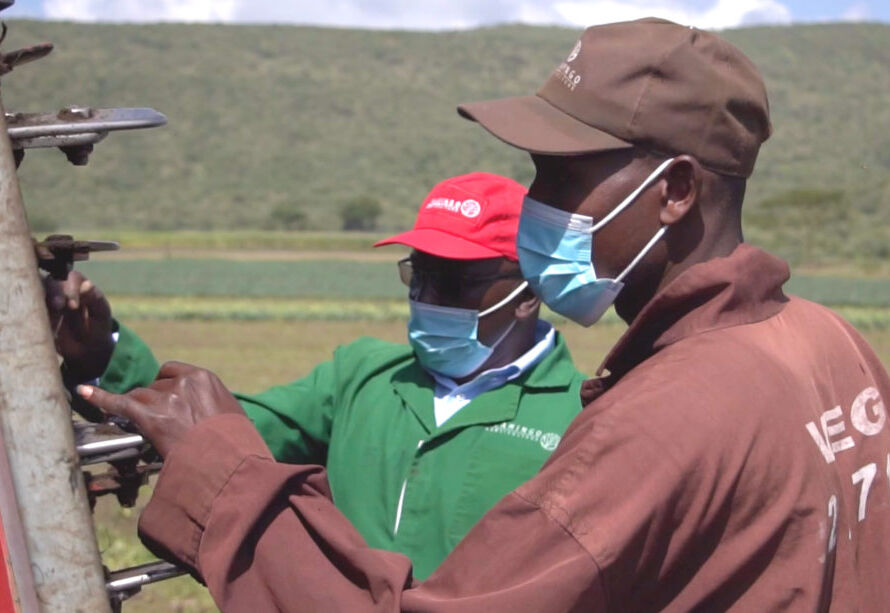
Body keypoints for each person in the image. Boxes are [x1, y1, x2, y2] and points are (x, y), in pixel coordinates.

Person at [78, 17, 890, 612]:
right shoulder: (831, 343)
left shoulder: (656, 421)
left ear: (675, 191)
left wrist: (222, 487)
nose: (537, 205)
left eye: (562, 175)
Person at [51, 172, 586, 580]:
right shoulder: (361, 377)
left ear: (528, 293)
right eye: (417, 275)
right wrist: (103, 353)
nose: (425, 297)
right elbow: (217, 430)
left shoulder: (578, 417)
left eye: (453, 281)